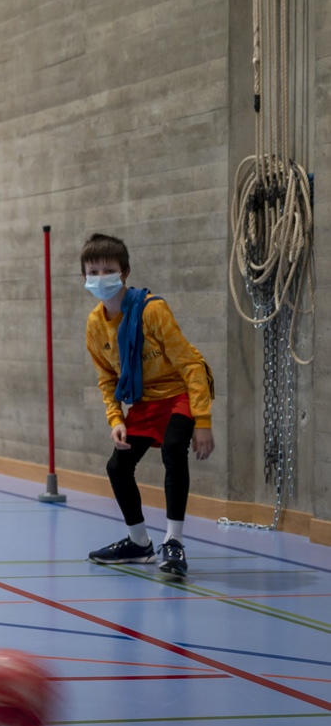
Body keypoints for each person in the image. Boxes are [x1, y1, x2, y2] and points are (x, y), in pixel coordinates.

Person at [82, 233, 214, 579]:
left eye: (107, 270)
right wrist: (116, 419)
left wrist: (202, 421)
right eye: (92, 271)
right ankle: (139, 542)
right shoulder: (95, 325)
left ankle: (174, 542)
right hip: (146, 400)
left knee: (173, 450)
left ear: (124, 273)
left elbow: (191, 365)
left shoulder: (152, 309)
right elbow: (107, 380)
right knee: (117, 466)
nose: (99, 278)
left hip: (180, 392)